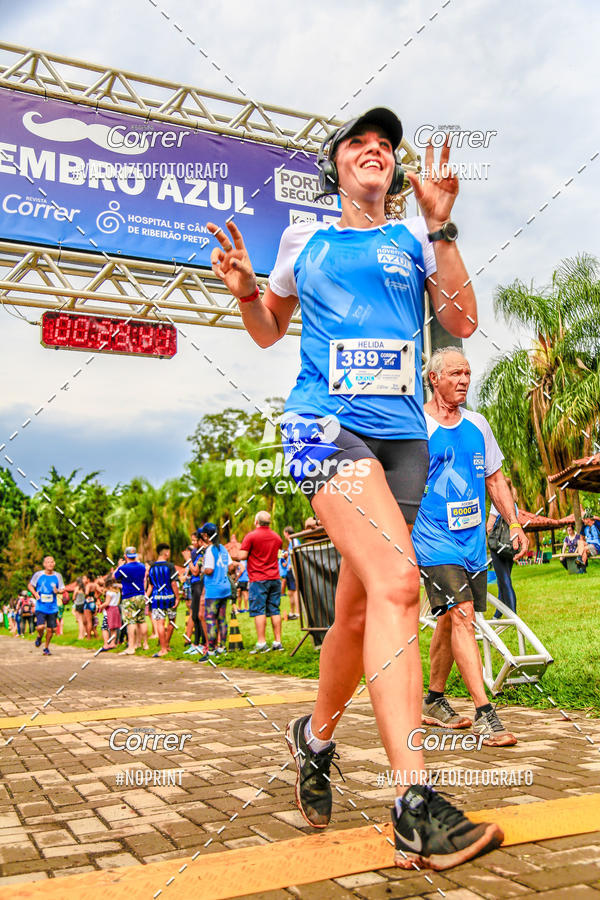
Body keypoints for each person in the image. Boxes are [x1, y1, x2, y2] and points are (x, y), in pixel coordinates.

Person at [208, 106, 503, 868]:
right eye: (358, 144)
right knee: (402, 583)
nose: (374, 152)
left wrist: (442, 228)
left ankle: (316, 737)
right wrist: (246, 289)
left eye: (386, 147)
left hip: (401, 439)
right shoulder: (303, 240)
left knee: (361, 605)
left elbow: (461, 321)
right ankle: (414, 804)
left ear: (396, 173)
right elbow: (271, 328)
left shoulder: (412, 238)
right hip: (319, 425)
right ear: (334, 165)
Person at [412, 347, 527, 745]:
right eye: (455, 373)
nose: (463, 380)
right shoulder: (416, 424)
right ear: (434, 379)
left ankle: (434, 699)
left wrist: (514, 523)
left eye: (467, 372)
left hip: (472, 542)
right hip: (431, 539)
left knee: (449, 617)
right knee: (462, 615)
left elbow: (495, 479)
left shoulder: (478, 424)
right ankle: (485, 713)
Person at [235, 512, 283, 653]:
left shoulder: (251, 536)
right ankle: (277, 642)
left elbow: (242, 555)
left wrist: (237, 553)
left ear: (256, 521)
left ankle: (262, 643)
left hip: (258, 578)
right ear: (269, 522)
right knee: (275, 609)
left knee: (259, 610)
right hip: (275, 577)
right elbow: (279, 555)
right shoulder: (277, 537)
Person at [486, 478, 520, 616]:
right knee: (504, 580)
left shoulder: (497, 503)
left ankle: (513, 615)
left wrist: (489, 535)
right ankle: (498, 614)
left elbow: (490, 526)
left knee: (504, 580)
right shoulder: (514, 505)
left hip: (498, 547)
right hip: (510, 547)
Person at [201, 523, 235, 657]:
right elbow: (231, 567)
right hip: (225, 587)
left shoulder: (210, 550)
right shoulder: (223, 548)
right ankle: (222, 648)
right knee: (222, 618)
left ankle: (211, 650)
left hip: (213, 589)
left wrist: (202, 569)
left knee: (210, 619)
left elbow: (209, 570)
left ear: (205, 535)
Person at [146, 543, 180, 657]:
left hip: (157, 599)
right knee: (171, 621)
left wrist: (146, 597)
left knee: (160, 623)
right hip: (169, 597)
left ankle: (163, 648)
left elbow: (150, 586)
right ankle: (167, 644)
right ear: (166, 552)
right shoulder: (170, 566)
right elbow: (174, 583)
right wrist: (177, 597)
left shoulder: (152, 567)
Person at [28, 556, 65, 656]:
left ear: (54, 563)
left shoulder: (58, 576)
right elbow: (30, 585)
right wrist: (35, 593)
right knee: (40, 627)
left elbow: (62, 588)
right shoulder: (38, 575)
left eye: (52, 562)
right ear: (44, 564)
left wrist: (58, 591)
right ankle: (39, 636)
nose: (50, 564)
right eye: (48, 562)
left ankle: (46, 648)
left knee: (51, 629)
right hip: (41, 606)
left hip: (52, 607)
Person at [113, 547, 147, 655]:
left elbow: (114, 576)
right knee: (141, 620)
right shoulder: (142, 566)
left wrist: (119, 565)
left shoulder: (124, 568)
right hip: (141, 595)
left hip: (129, 596)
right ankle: (145, 644)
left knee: (130, 621)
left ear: (125, 556)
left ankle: (131, 647)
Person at [184, 530, 209, 656]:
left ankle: (202, 643)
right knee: (195, 615)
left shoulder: (201, 553)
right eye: (192, 540)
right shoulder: (196, 552)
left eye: (195, 540)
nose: (193, 543)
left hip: (199, 584)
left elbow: (195, 571)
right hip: (194, 585)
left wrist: (188, 560)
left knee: (198, 615)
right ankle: (196, 643)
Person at [282, 526, 300, 620]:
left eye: (284, 533)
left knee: (295, 591)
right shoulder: (290, 543)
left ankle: (297, 612)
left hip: (293, 569)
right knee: (290, 592)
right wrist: (287, 560)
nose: (284, 535)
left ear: (287, 533)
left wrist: (291, 564)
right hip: (288, 570)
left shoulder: (294, 541)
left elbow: (296, 553)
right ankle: (292, 612)